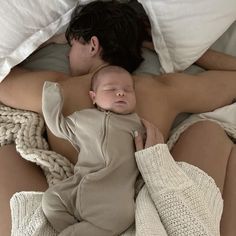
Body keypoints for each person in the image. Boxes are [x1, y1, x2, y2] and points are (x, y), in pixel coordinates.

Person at [0, 0, 235, 235]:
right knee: (209, 132)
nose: (68, 55)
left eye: (71, 46)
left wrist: (46, 41)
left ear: (92, 45)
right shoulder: (164, 91)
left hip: (69, 209)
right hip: (135, 210)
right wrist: (161, 47)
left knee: (7, 154)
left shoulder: (57, 87)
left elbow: (3, 73)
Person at [41, 66, 143, 235]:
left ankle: (79, 231)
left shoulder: (138, 125)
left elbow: (149, 153)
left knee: (114, 219)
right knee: (51, 200)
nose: (120, 93)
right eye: (111, 89)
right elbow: (58, 127)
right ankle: (77, 229)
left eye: (128, 90)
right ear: (93, 97)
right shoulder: (83, 118)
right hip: (79, 185)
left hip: (114, 199)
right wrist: (51, 97)